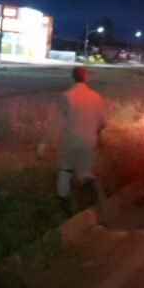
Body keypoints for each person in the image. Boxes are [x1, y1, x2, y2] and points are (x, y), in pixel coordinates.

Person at [37, 66, 108, 216]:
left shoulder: (67, 96)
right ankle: (91, 195)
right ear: (86, 77)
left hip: (71, 139)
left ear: (72, 77)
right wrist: (98, 137)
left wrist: (45, 142)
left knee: (65, 169)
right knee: (84, 171)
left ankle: (64, 203)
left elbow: (56, 121)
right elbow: (102, 123)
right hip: (90, 140)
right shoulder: (96, 97)